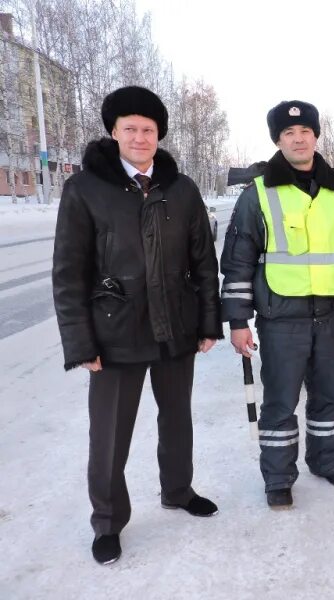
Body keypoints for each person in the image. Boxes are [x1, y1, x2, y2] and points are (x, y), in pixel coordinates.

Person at [52, 86, 223, 565]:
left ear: (159, 135)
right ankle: (107, 522)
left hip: (175, 329)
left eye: (149, 129)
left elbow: (204, 263)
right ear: (114, 132)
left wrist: (208, 322)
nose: (140, 137)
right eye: (131, 128)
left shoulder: (182, 189)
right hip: (114, 334)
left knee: (177, 419)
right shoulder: (85, 189)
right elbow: (68, 273)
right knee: (109, 435)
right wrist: (80, 342)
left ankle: (179, 490)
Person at [220, 100, 334, 509]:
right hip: (279, 319)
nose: (298, 138)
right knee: (280, 402)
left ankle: (327, 461)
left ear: (316, 136)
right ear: (278, 140)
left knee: (329, 396)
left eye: (305, 131)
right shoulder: (259, 193)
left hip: (328, 316)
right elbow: (238, 261)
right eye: (288, 133)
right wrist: (237, 320)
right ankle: (278, 477)